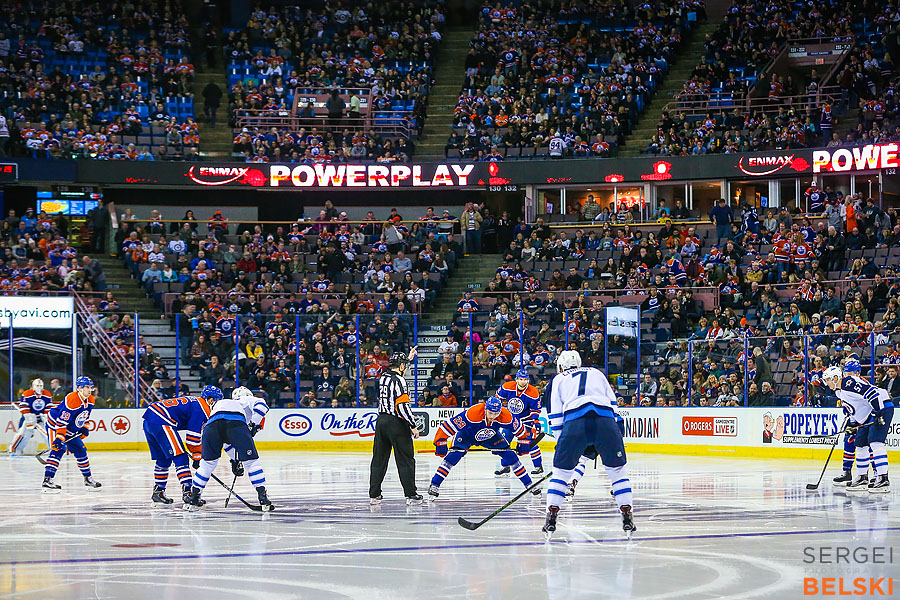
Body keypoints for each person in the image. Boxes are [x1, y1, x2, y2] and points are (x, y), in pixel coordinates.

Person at [541, 350, 635, 538]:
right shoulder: (596, 372)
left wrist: (563, 446)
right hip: (605, 421)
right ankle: (627, 516)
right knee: (617, 472)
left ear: (560, 366)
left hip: (575, 423)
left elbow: (556, 417)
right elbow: (613, 407)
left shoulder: (557, 380)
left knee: (561, 473)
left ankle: (551, 517)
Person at [427, 396, 539, 499]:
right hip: (466, 435)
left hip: (491, 436)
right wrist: (440, 442)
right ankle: (434, 485)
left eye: (496, 414)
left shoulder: (505, 415)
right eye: (490, 413)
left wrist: (523, 443)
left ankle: (529, 485)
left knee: (512, 457)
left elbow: (519, 429)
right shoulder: (473, 413)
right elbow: (448, 426)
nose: (493, 417)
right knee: (452, 458)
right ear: (485, 409)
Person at [186, 386, 273, 511]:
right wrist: (253, 424)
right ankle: (263, 497)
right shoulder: (247, 400)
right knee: (252, 463)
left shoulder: (222, 403)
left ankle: (194, 497)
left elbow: (227, 443)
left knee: (206, 465)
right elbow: (262, 407)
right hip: (236, 424)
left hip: (211, 426)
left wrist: (235, 460)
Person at [822, 359, 893, 492]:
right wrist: (852, 424)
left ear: (836, 378)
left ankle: (883, 479)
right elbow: (854, 409)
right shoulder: (839, 392)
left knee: (876, 442)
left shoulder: (849, 383)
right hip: (869, 415)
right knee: (860, 443)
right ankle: (862, 478)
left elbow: (871, 393)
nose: (826, 384)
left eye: (828, 380)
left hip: (882, 407)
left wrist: (878, 412)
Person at [142, 385, 221, 505]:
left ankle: (158, 492)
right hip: (162, 421)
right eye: (217, 401)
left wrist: (197, 454)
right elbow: (192, 440)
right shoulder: (203, 408)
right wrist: (198, 456)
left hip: (150, 420)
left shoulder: (196, 402)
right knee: (181, 457)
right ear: (210, 400)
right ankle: (188, 492)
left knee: (164, 459)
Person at [368, 348, 423, 505]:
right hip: (396, 423)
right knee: (405, 459)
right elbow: (403, 406)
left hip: (381, 422)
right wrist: (412, 425)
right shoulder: (400, 381)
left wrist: (408, 358)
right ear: (400, 366)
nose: (405, 368)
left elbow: (398, 371)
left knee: (379, 459)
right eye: (404, 365)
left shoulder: (384, 376)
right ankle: (411, 495)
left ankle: (374, 495)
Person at [42, 377, 102, 492]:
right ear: (79, 388)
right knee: (58, 449)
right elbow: (61, 422)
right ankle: (47, 481)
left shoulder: (91, 399)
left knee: (81, 450)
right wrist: (59, 438)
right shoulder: (72, 399)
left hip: (69, 427)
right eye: (87, 387)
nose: (90, 390)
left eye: (91, 387)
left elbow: (85, 416)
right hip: (55, 424)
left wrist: (84, 427)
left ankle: (88, 480)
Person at [493, 369, 544, 476]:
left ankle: (538, 467)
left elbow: (535, 409)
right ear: (517, 379)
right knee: (504, 442)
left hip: (526, 421)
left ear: (528, 380)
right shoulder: (507, 386)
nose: (523, 382)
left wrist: (535, 421)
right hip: (511, 420)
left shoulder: (533, 391)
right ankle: (505, 467)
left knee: (530, 443)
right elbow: (497, 399)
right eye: (521, 379)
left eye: (525, 379)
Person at [9, 378, 52, 456]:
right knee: (24, 433)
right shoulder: (27, 394)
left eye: (41, 385)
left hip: (41, 418)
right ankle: (14, 450)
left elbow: (49, 406)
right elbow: (23, 405)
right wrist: (28, 415)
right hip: (29, 417)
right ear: (33, 386)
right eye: (37, 385)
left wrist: (46, 415)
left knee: (48, 433)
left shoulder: (47, 394)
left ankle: (54, 450)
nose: (39, 387)